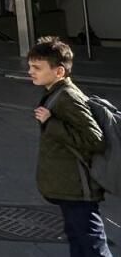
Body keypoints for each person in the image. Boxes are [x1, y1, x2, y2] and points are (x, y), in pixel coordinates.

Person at [28, 36, 111, 257]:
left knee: (91, 242)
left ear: (59, 72)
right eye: (30, 66)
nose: (31, 71)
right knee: (79, 239)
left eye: (37, 67)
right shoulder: (55, 93)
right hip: (68, 185)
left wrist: (51, 123)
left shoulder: (67, 96)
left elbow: (95, 139)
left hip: (78, 186)